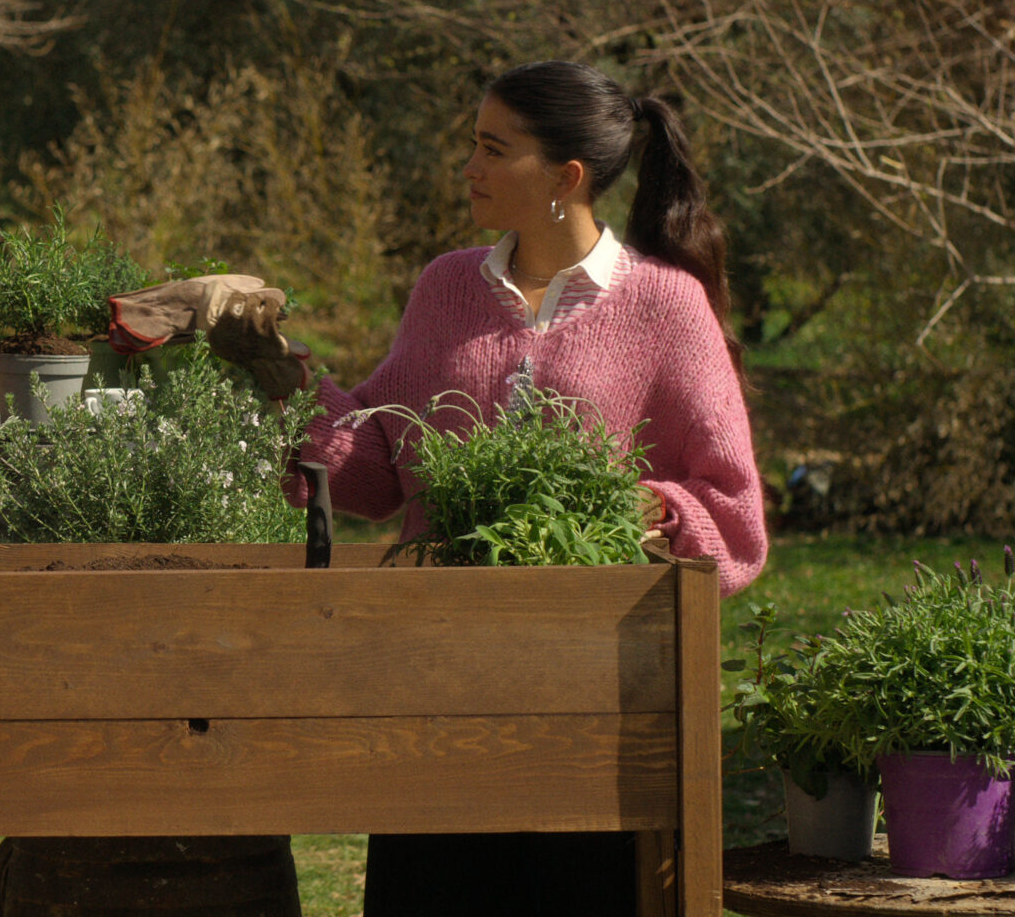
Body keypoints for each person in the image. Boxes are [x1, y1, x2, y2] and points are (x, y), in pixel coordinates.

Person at [285, 59, 767, 916]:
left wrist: (646, 508)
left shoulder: (667, 306)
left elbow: (732, 508)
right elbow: (378, 470)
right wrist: (286, 384)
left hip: (594, 690)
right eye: (473, 143)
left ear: (564, 178)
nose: (469, 166)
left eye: (493, 148)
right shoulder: (444, 289)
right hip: (436, 683)